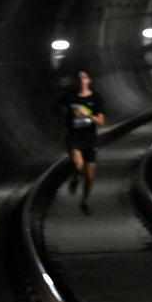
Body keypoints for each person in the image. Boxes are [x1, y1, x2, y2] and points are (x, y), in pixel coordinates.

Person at [59, 69, 106, 215]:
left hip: (90, 138)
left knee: (89, 177)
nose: (81, 81)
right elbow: (57, 108)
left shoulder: (96, 98)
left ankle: (84, 201)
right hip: (74, 137)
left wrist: (88, 114)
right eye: (78, 78)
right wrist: (63, 124)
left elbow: (101, 121)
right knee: (78, 165)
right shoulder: (69, 97)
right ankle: (75, 178)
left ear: (88, 81)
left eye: (84, 78)